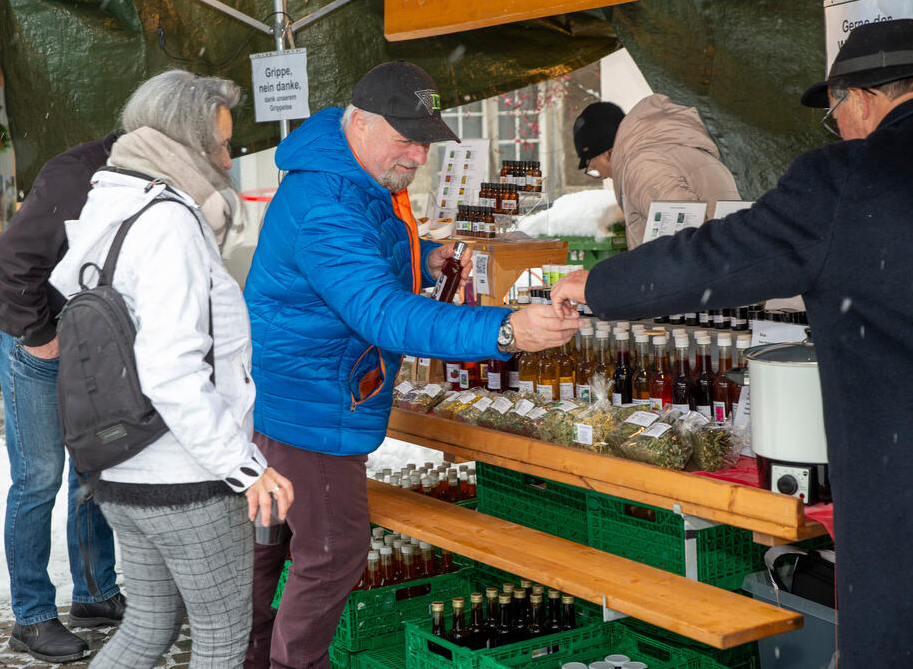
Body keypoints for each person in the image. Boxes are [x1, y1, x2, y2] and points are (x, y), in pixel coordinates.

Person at [551, 18, 913, 666]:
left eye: (837, 111)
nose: (842, 126)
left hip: (902, 491)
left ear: (862, 98)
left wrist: (598, 286)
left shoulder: (852, 178)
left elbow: (716, 258)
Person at [242, 60, 581, 667]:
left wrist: (424, 254)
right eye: (405, 140)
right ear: (362, 124)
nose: (418, 157)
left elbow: (369, 256)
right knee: (332, 552)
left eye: (423, 141)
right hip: (311, 403)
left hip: (298, 388)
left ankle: (245, 655)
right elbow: (380, 312)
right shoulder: (328, 203)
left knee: (274, 546)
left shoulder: (352, 176)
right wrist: (506, 329)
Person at [48, 70, 294, 668]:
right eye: (222, 145)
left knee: (146, 628)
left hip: (117, 464)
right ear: (186, 144)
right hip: (184, 476)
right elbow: (172, 369)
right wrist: (245, 468)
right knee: (220, 638)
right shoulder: (168, 222)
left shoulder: (107, 203)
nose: (230, 162)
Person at [0, 134, 126, 663]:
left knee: (92, 469)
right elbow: (9, 261)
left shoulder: (150, 176)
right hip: (35, 340)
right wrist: (39, 337)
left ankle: (94, 595)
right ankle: (31, 617)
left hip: (87, 339)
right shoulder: (76, 174)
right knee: (38, 479)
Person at [573, 95, 740, 248]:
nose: (606, 177)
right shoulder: (684, 150)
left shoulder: (642, 167)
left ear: (606, 154)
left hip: (707, 276)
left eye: (594, 168)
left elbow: (684, 241)